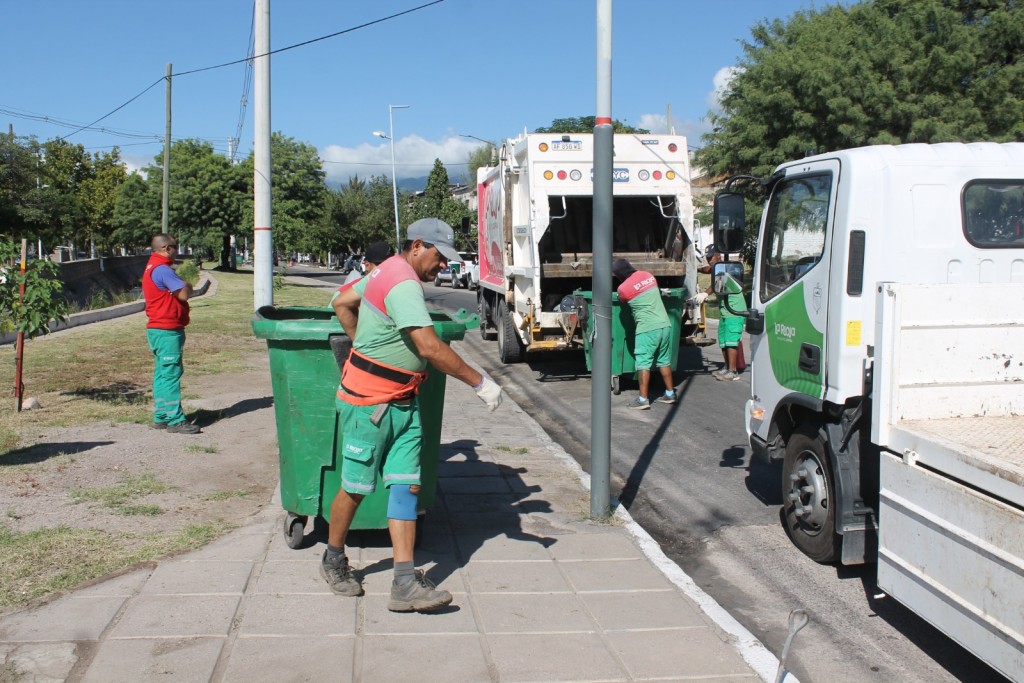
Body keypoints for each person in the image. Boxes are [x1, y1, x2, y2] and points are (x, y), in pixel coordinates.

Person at [324, 217, 503, 612]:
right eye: (440, 258)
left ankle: (404, 582)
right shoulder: (402, 280)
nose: (444, 267)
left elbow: (341, 302)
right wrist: (480, 382)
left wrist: (361, 348)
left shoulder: (384, 270)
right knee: (355, 488)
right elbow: (429, 347)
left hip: (405, 401)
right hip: (368, 406)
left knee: (407, 487)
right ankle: (333, 557)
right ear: (418, 245)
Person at [142, 234, 199, 434]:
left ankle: (162, 415)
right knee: (171, 374)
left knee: (162, 374)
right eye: (176, 247)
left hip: (158, 330)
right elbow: (183, 293)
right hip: (167, 330)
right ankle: (175, 420)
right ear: (167, 248)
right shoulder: (163, 270)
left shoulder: (152, 266)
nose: (178, 251)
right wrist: (188, 284)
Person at [612, 258, 677, 410]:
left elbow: (622, 300)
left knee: (643, 363)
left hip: (647, 329)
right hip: (665, 325)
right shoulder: (647, 275)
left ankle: (642, 399)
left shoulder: (623, 288)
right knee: (663, 360)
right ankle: (670, 393)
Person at [695, 249, 747, 381]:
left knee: (730, 341)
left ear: (718, 257)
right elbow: (707, 270)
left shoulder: (724, 269)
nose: (708, 259)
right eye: (707, 257)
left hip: (734, 310)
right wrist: (696, 268)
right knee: (723, 341)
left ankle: (732, 371)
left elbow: (716, 284)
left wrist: (705, 294)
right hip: (725, 310)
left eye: (711, 257)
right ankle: (727, 367)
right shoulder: (716, 268)